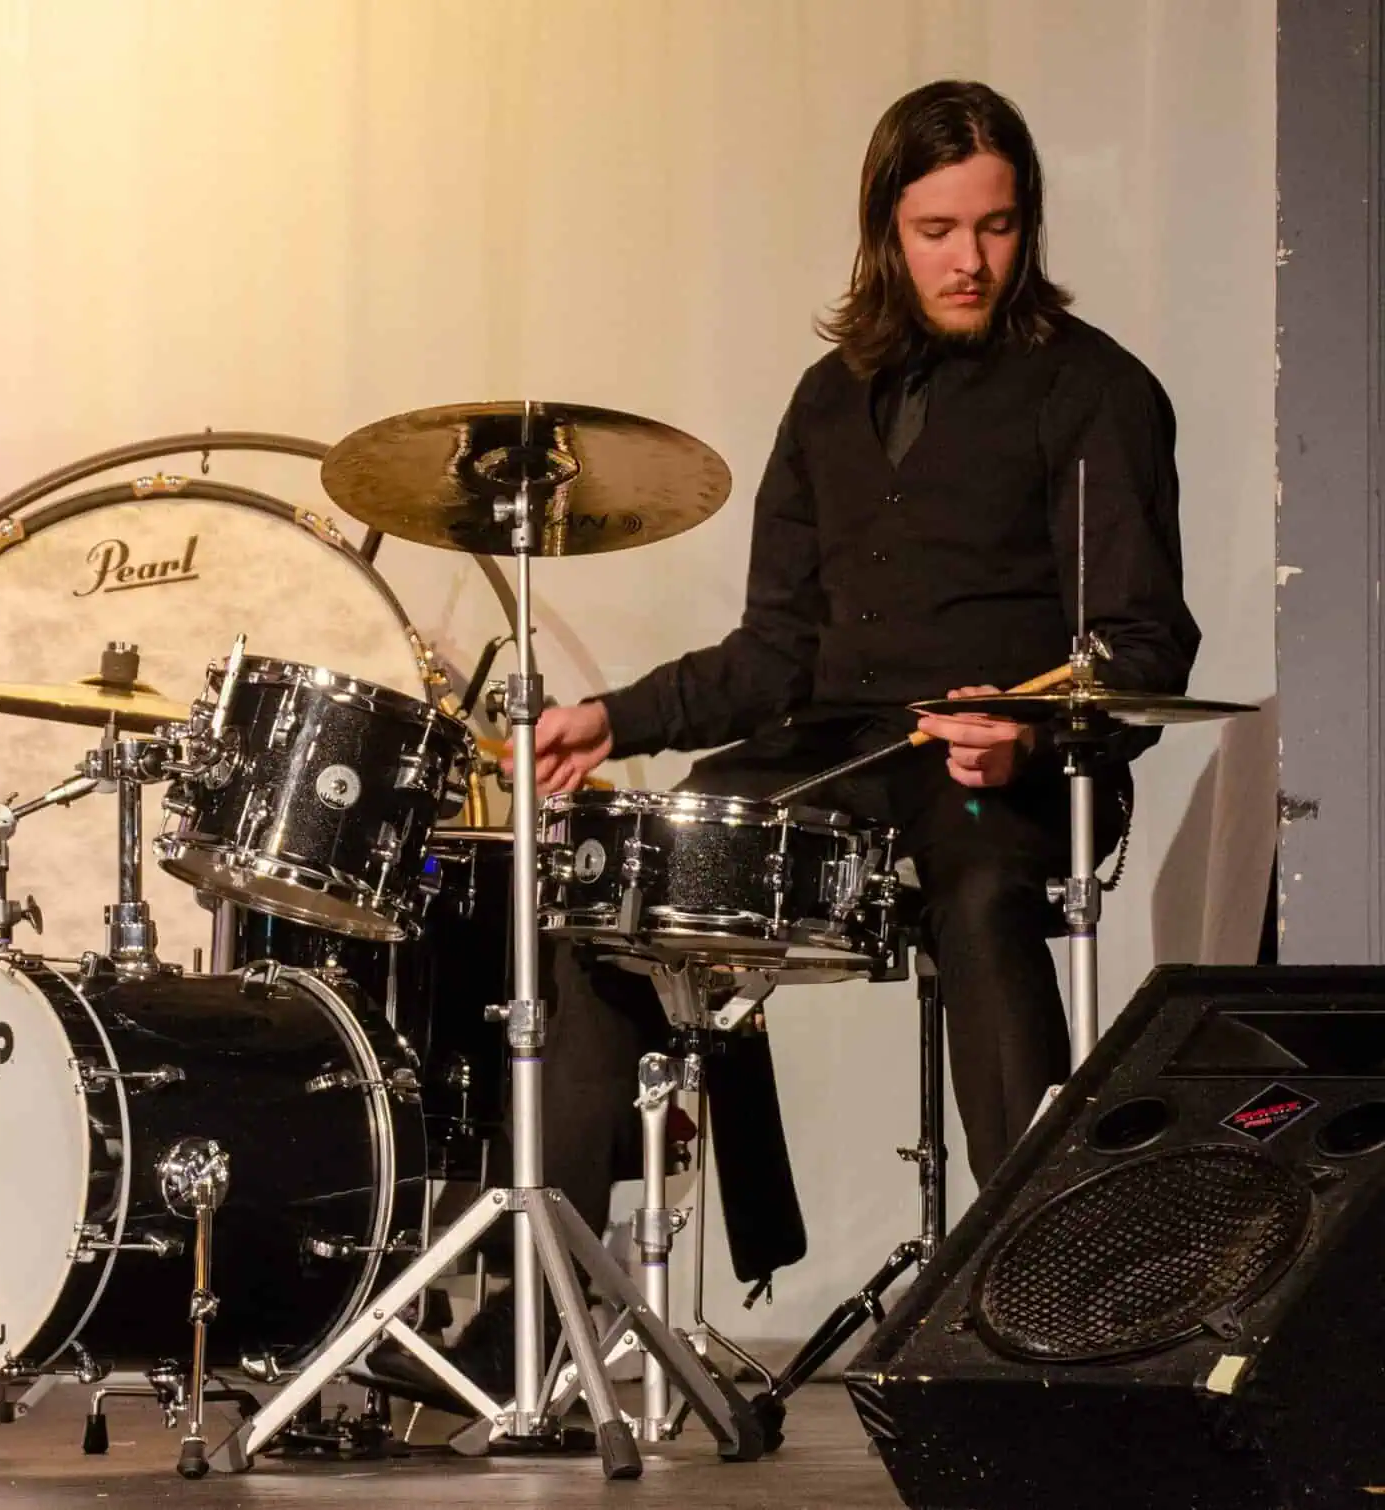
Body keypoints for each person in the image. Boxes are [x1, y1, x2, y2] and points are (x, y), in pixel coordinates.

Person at [367, 77, 1199, 1410]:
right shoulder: (828, 400)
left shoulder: (1097, 393)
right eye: (938, 229)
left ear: (1025, 224)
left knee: (980, 901)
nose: (970, 259)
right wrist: (616, 717)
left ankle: (1049, 1303)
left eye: (994, 226)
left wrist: (1027, 737)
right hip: (840, 753)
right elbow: (772, 658)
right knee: (614, 891)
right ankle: (546, 1310)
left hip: (1001, 774)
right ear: (884, 227)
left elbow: (1146, 645)